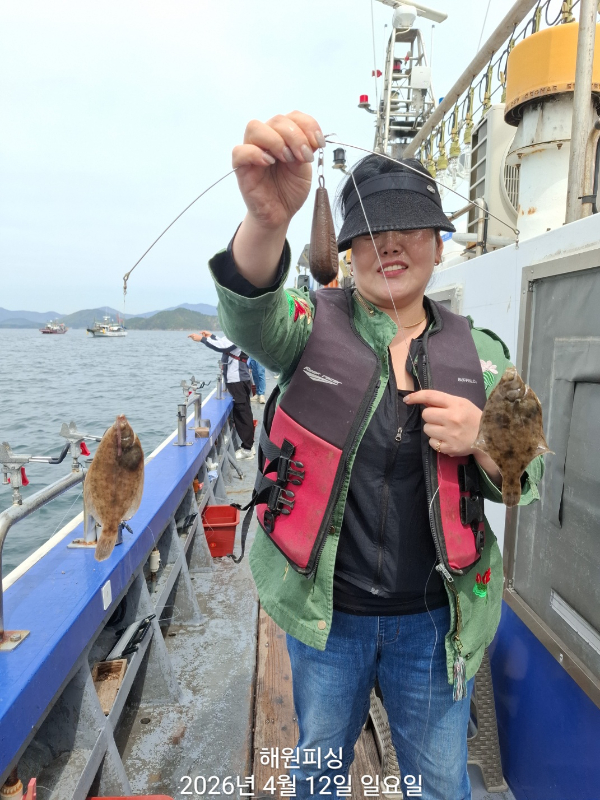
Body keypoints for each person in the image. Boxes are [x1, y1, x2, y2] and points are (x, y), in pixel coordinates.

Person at [206, 112, 544, 799]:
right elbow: (250, 313)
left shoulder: (485, 356)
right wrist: (266, 221)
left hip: (436, 619)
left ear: (439, 245)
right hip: (327, 614)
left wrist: (484, 439)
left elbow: (525, 477)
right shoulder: (307, 327)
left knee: (440, 782)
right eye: (368, 231)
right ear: (348, 249)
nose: (388, 244)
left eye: (410, 227)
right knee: (319, 767)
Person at [188, 329, 255, 459]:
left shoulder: (239, 333)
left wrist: (202, 339)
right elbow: (225, 343)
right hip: (239, 378)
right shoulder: (239, 332)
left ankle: (247, 448)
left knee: (242, 413)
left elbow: (223, 346)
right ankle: (249, 445)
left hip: (237, 379)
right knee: (244, 411)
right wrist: (212, 336)